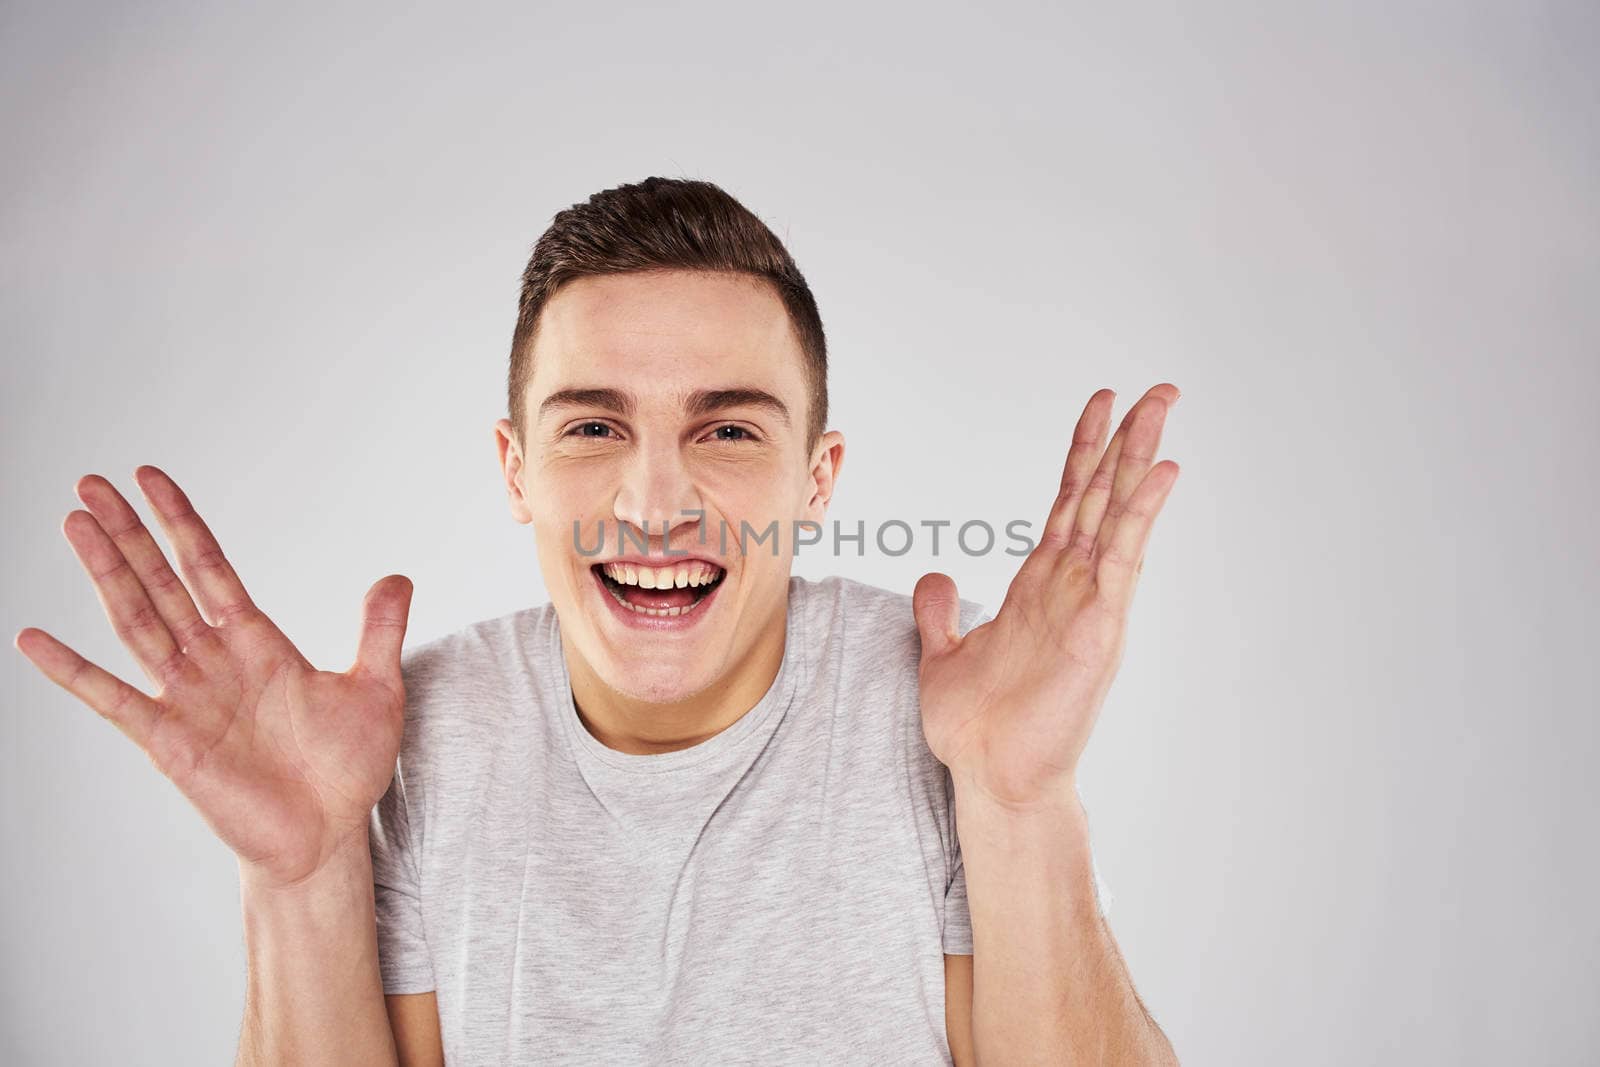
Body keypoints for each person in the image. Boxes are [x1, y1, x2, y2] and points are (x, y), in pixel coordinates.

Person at [14, 176, 1182, 1065]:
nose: (656, 503)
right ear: (516, 470)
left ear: (816, 479)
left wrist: (1023, 802)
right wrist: (303, 872)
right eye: (592, 427)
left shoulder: (943, 704)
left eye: (727, 429)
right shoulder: (422, 740)